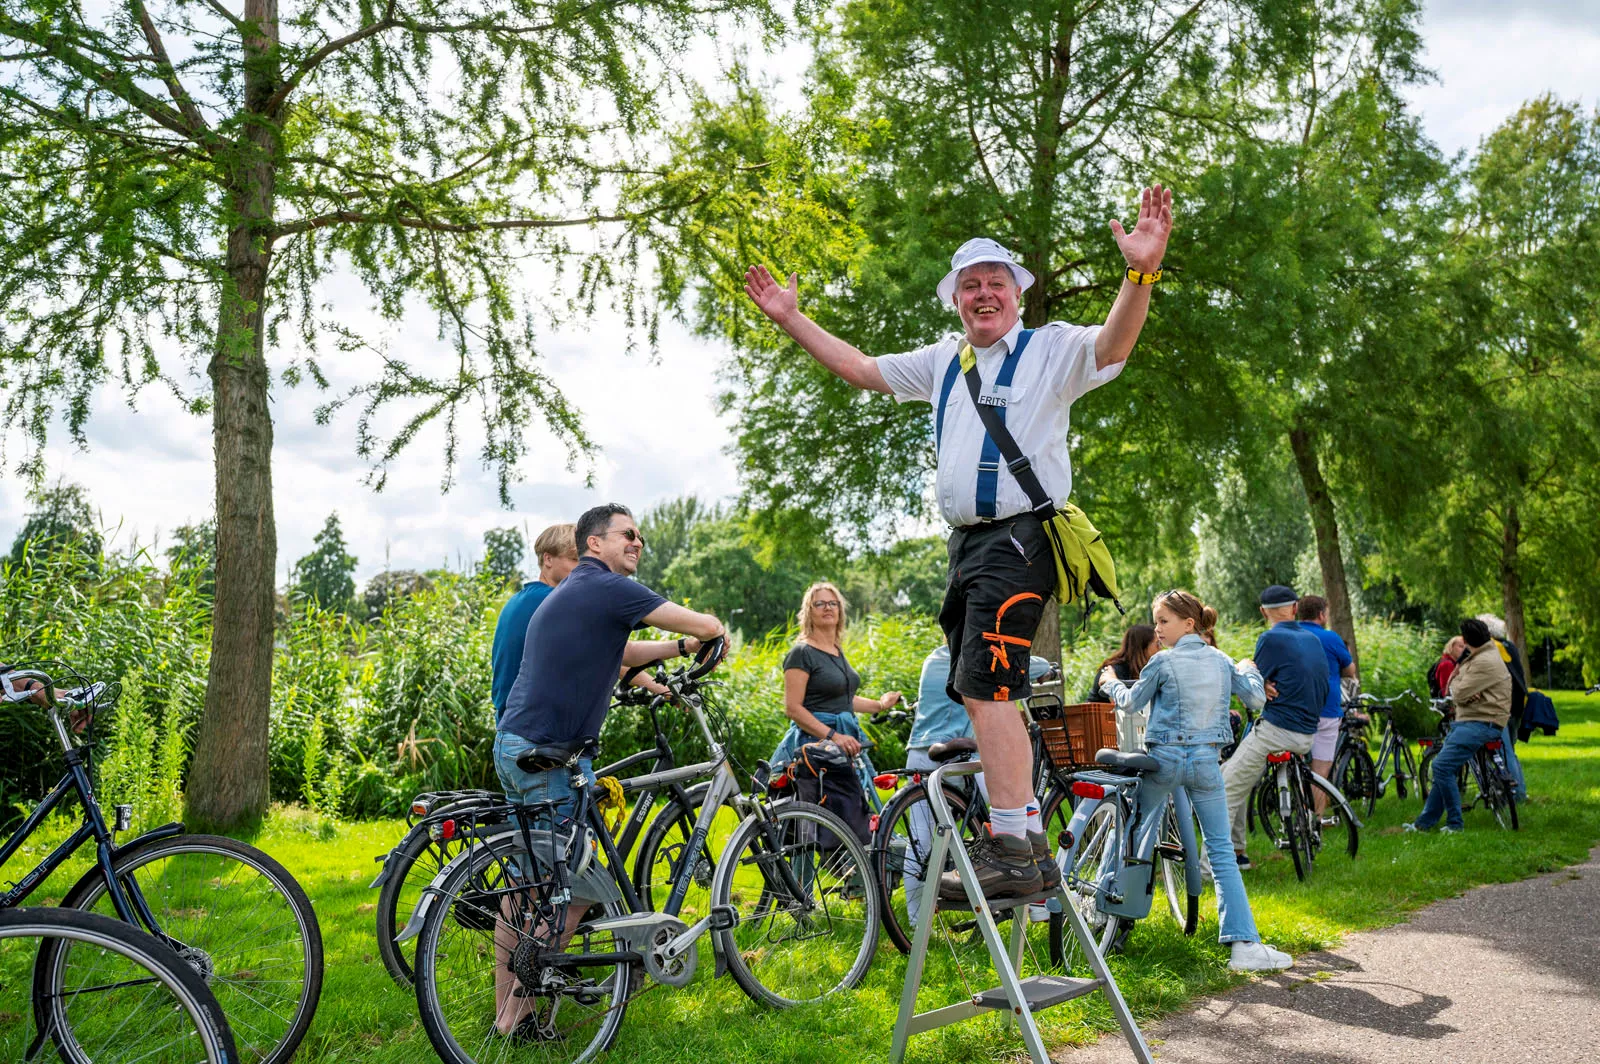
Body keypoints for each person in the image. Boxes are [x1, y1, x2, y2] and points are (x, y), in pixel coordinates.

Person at [744, 187, 1174, 901]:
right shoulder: (946, 362)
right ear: (956, 301)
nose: (983, 294)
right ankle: (1026, 835)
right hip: (968, 546)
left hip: (1021, 537)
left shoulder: (1049, 349)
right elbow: (860, 367)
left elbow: (1115, 343)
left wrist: (1140, 275)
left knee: (987, 686)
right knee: (974, 688)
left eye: (995, 283)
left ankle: (1014, 842)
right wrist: (793, 320)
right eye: (970, 286)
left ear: (1016, 294)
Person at [492, 503, 725, 1036]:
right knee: (575, 886)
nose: (638, 543)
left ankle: (509, 1014)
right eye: (628, 535)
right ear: (593, 544)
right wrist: (708, 635)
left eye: (640, 537)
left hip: (518, 744)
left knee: (527, 887)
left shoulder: (576, 593)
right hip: (552, 751)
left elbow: (625, 649)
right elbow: (703, 622)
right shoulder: (607, 587)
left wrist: (684, 648)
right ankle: (519, 1012)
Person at [1097, 591, 1290, 971]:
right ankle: (1244, 946)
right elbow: (1255, 699)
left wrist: (1109, 682)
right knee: (1220, 850)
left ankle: (1103, 909)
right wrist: (1249, 667)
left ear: (1189, 623)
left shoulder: (1162, 662)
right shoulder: (1220, 661)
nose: (1158, 628)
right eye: (1156, 622)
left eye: (1164, 621)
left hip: (1164, 761)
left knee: (1133, 832)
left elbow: (1131, 702)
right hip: (1205, 762)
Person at [902, 640, 1052, 926]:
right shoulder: (977, 656)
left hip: (921, 752)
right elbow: (1034, 666)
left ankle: (915, 920)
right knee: (1019, 803)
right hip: (965, 754)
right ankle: (1038, 905)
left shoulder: (932, 659)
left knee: (920, 839)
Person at [1220, 585, 1327, 870]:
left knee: (1224, 789)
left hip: (1277, 730)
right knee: (1236, 777)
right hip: (1308, 732)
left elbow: (1253, 691)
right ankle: (1238, 852)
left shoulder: (1269, 639)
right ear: (1294, 609)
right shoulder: (1313, 639)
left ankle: (1210, 871)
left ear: (1262, 612)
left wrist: (1250, 675)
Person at [769, 582, 902, 793]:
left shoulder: (836, 651)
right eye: (820, 603)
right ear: (808, 612)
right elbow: (793, 708)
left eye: (833, 603)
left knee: (856, 805)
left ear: (840, 610)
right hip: (816, 744)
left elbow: (843, 698)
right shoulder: (802, 652)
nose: (828, 608)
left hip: (847, 736)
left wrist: (880, 705)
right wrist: (834, 737)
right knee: (829, 808)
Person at [1409, 619, 1513, 834]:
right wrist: (1462, 689)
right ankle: (1424, 824)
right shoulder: (1481, 655)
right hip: (1473, 719)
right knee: (1445, 767)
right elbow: (1462, 692)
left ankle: (1455, 824)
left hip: (1480, 722)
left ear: (1465, 641)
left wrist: (1457, 681)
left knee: (1441, 767)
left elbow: (1454, 691)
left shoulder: (1484, 660)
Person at [489, 523, 578, 721]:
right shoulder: (553, 601)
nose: (581, 569)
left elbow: (602, 654)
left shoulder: (523, 598)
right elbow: (621, 652)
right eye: (574, 560)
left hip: (513, 725)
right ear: (548, 559)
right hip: (532, 730)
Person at [1295, 595, 1358, 814]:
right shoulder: (1330, 638)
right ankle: (1316, 819)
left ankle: (1299, 813)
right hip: (1326, 710)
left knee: (1295, 764)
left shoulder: (1290, 635)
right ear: (1322, 615)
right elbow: (1350, 670)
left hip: (1295, 710)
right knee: (1320, 769)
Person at [1476, 614, 1528, 800]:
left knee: (1503, 751)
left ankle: (1515, 794)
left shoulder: (1489, 647)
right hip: (1517, 704)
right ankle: (1520, 791)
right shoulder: (1509, 646)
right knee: (1510, 751)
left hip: (1501, 706)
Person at [1087, 624, 1158, 703]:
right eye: (1157, 644)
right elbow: (1123, 706)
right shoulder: (1113, 671)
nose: (1161, 649)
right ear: (1143, 647)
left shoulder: (1142, 671)